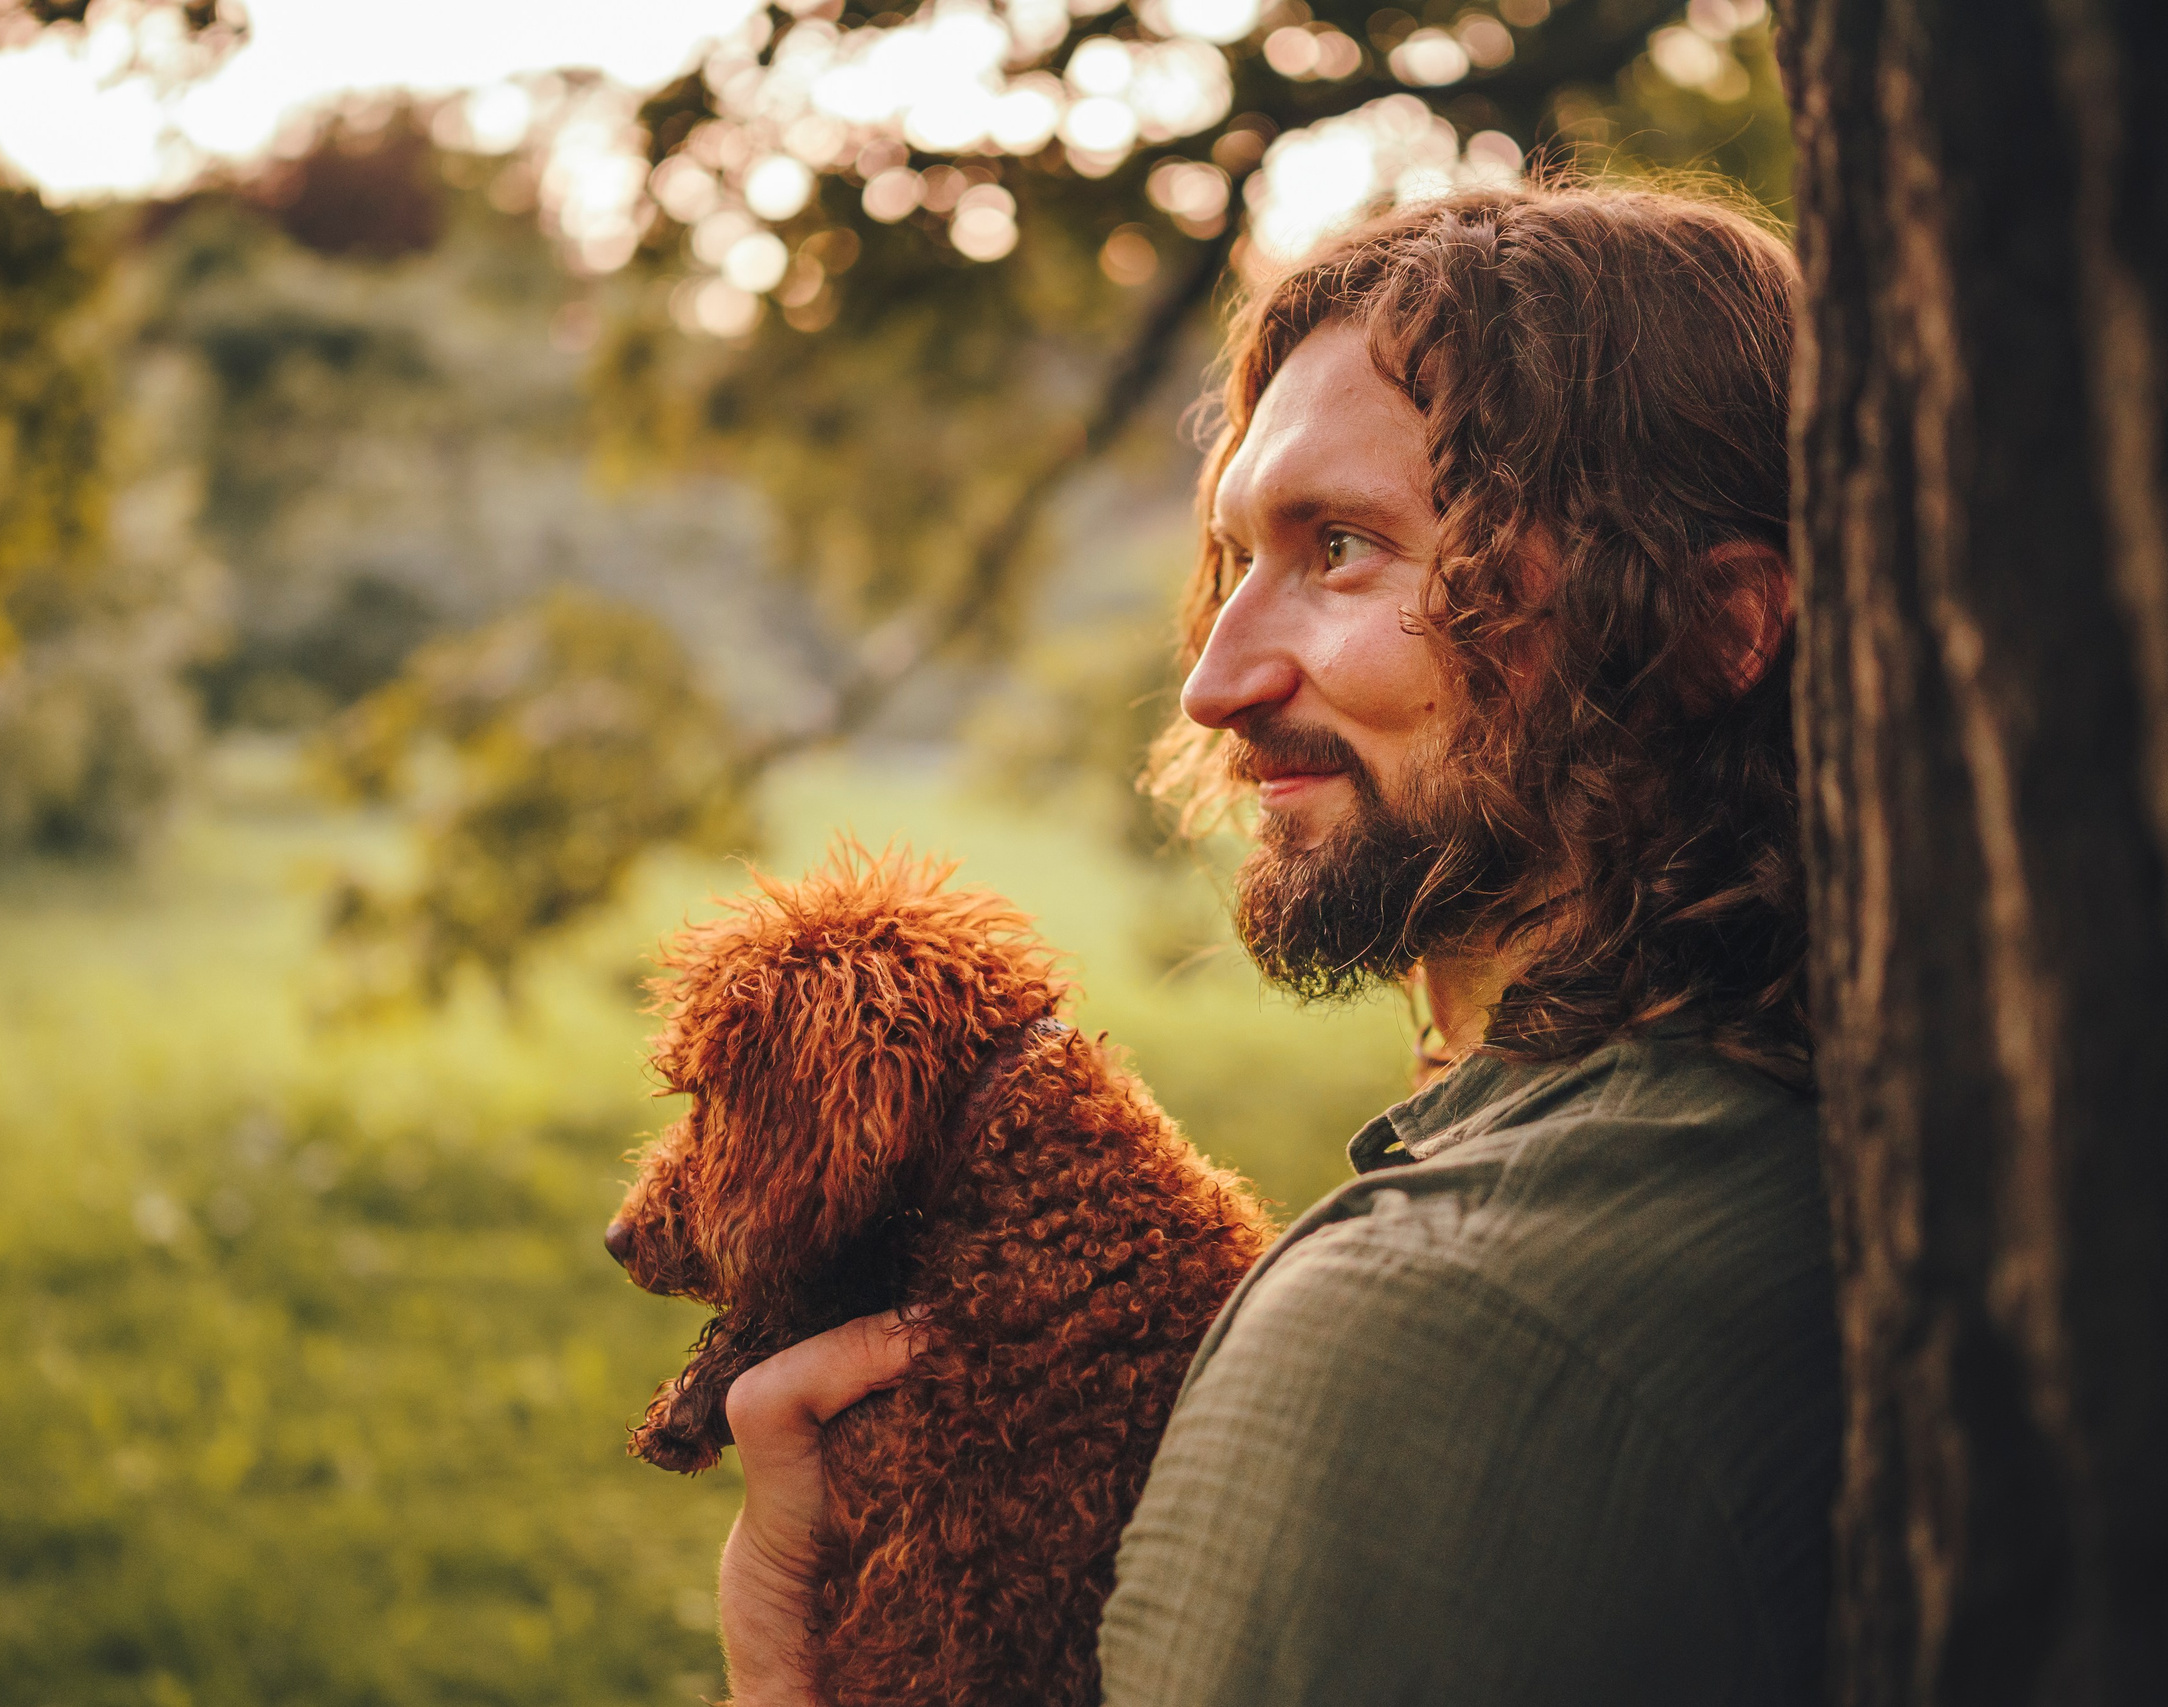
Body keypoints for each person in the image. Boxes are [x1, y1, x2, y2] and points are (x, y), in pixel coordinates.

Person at [713, 183, 1839, 1707]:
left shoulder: (1439, 1326)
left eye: (1348, 550)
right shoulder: (1847, 1116)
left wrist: (797, 1676)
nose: (1217, 680)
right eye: (1237, 555)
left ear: (1719, 627)